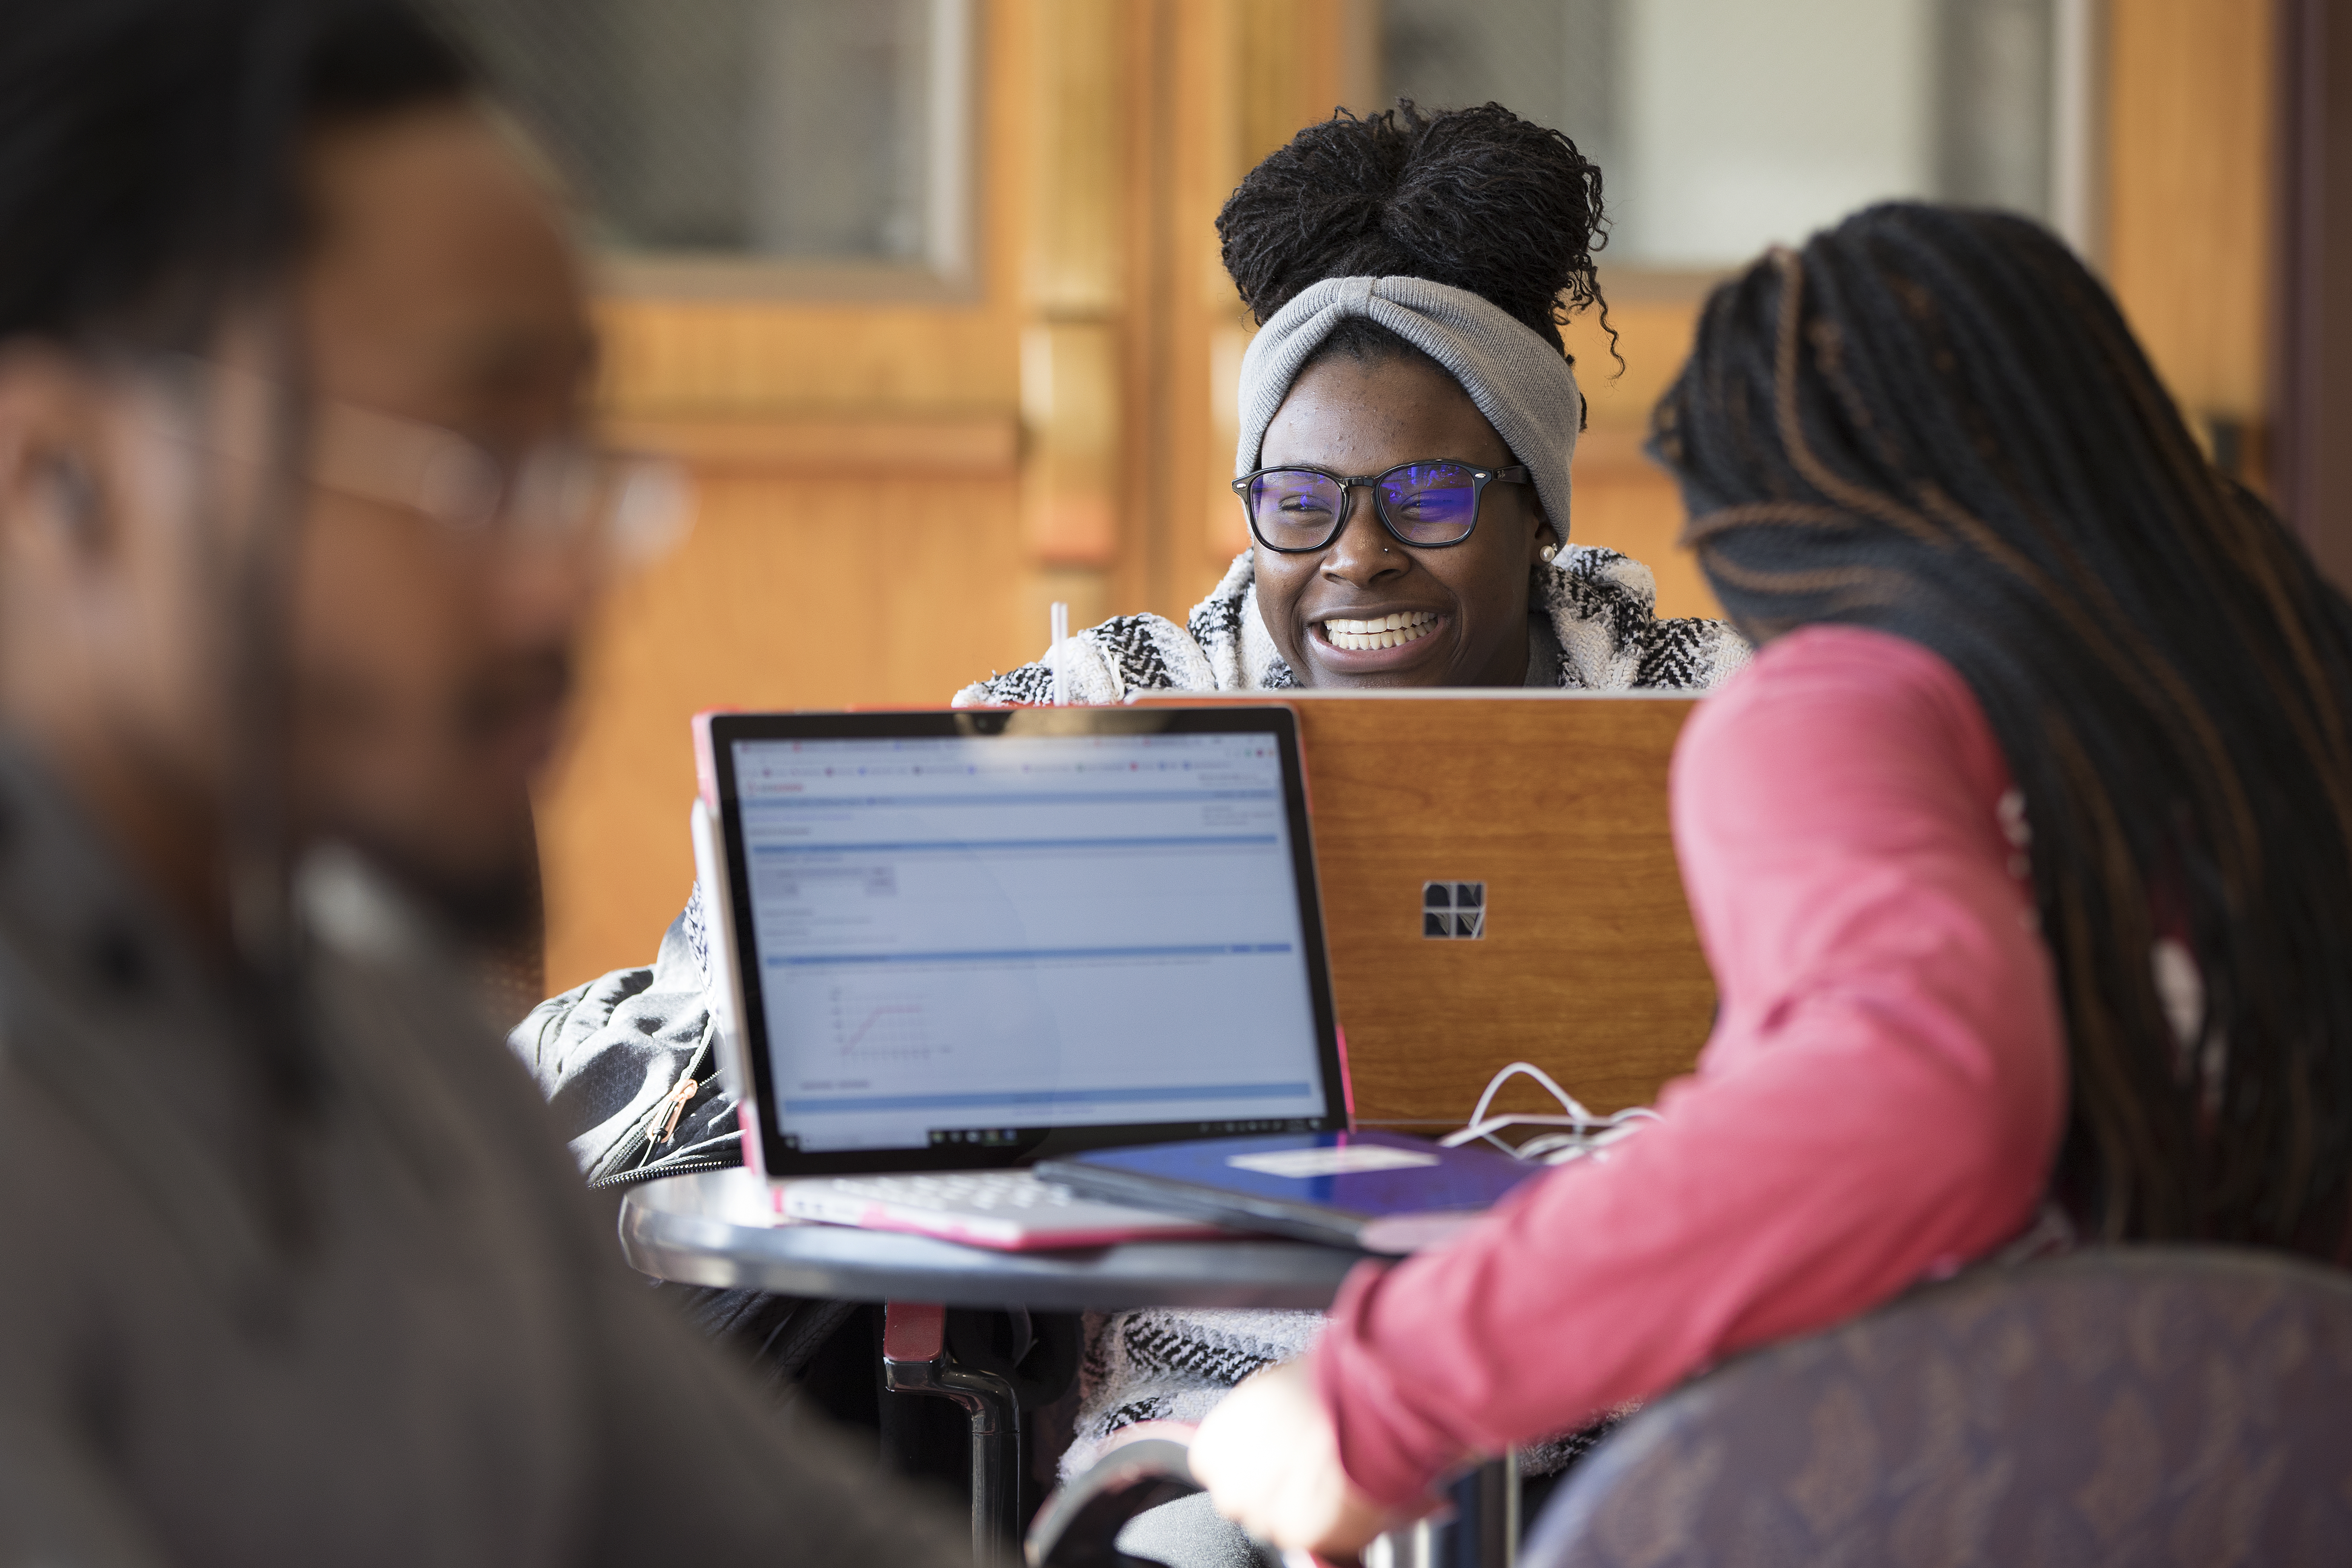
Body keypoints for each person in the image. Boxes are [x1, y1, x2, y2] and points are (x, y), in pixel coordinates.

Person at [513, 104, 1750, 1544]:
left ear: (1532, 507)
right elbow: (768, 934)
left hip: (1645, 1417)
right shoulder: (1122, 703)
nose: (1355, 554)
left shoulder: (1711, 713)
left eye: (1426, 495)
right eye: (1297, 502)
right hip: (1222, 1437)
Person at [1184, 200, 2352, 1556]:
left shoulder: (1842, 706)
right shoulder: (2295, 685)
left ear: (1764, 522)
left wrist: (1374, 1394)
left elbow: (1911, 1096)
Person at [0, 1, 970, 1562]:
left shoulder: (398, 1050)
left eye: (574, 457)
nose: (565, 586)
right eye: (471, 462)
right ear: (57, 480)